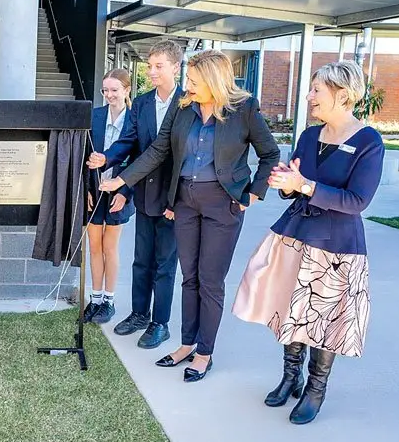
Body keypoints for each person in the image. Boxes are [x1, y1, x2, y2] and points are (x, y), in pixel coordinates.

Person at [94, 50, 279, 382]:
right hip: (185, 204)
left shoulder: (244, 110)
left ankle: (204, 353)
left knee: (209, 282)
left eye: (193, 81)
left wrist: (252, 193)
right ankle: (186, 344)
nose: (188, 87)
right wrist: (122, 180)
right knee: (189, 277)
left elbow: (270, 153)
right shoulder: (183, 109)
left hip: (223, 205)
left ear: (213, 80)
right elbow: (158, 150)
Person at [233, 61, 382, 424]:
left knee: (323, 319)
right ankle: (290, 376)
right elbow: (295, 186)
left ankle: (315, 389)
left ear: (342, 95)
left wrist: (306, 186)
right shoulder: (308, 136)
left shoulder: (368, 141)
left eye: (317, 90)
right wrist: (287, 185)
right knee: (292, 309)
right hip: (296, 236)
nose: (309, 96)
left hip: (337, 246)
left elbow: (357, 201)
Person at [98, 41, 182, 349]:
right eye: (150, 66)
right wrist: (107, 158)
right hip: (145, 192)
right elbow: (129, 142)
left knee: (164, 264)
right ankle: (138, 314)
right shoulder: (144, 103)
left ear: (176, 67)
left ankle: (160, 323)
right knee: (141, 260)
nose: (152, 71)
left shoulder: (189, 102)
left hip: (175, 198)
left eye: (159, 66)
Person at [83, 69, 135, 325]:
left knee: (109, 246)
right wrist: (88, 190)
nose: (109, 95)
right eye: (106, 90)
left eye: (115, 90)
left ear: (126, 90)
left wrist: (125, 192)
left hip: (119, 192)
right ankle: (94, 299)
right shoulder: (96, 116)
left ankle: (109, 301)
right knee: (94, 246)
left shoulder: (135, 119)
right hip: (96, 189)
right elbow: (86, 156)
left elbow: (139, 159)